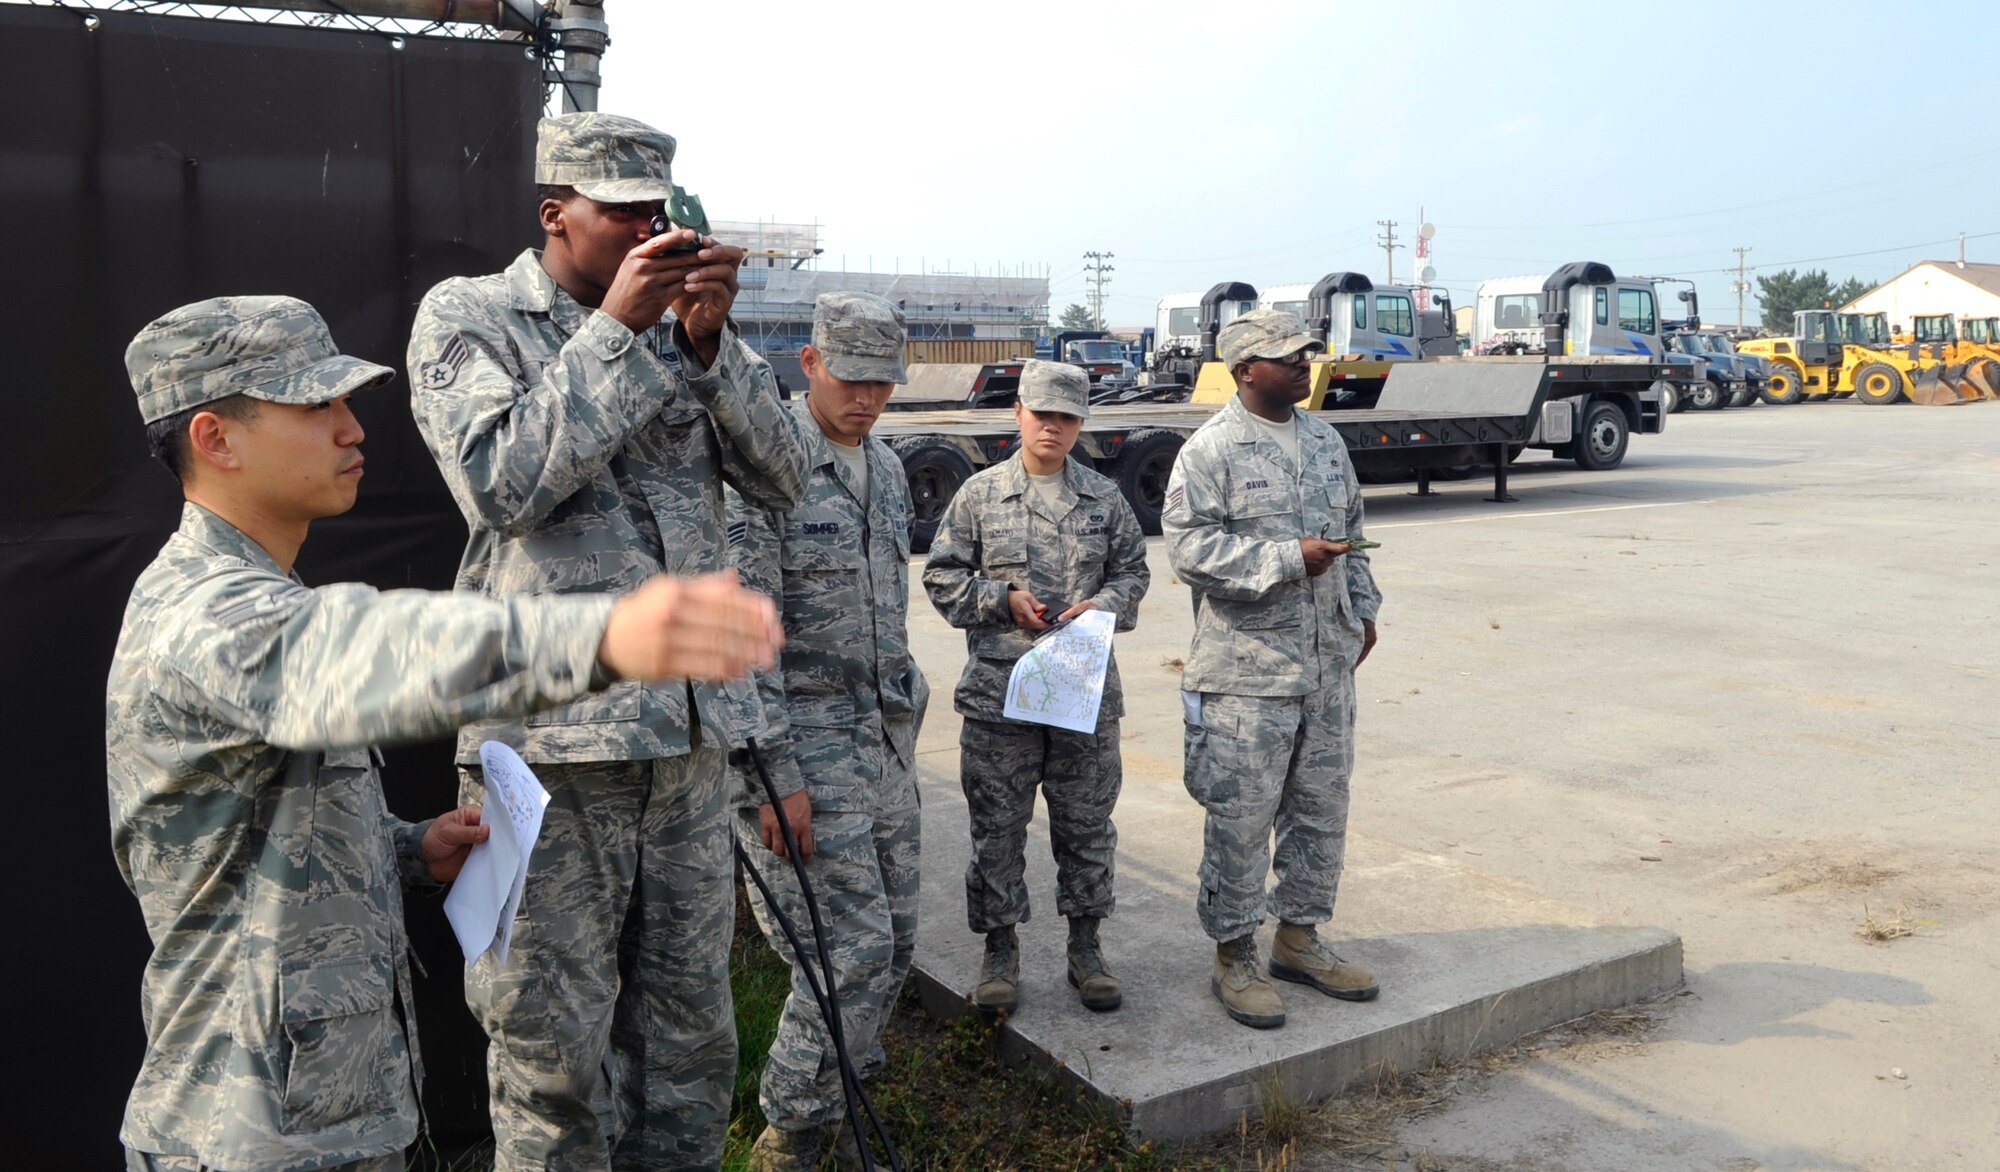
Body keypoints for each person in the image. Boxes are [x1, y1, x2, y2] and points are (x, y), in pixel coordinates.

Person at [107, 296, 783, 1172]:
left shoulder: (252, 595)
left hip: (318, 1121)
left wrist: (404, 848)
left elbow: (243, 841)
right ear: (216, 438)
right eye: (316, 407)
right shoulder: (204, 613)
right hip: (246, 1138)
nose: (353, 429)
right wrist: (603, 637)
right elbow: (355, 653)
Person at [405, 112, 809, 1170]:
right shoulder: (471, 316)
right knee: (549, 1056)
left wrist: (712, 350)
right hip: (548, 753)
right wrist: (617, 334)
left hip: (685, 745)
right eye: (622, 213)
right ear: (556, 215)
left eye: (658, 212)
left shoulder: (685, 332)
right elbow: (501, 484)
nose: (648, 233)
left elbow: (785, 478)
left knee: (686, 1043)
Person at [726, 292, 930, 1170]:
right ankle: (790, 1133)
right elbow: (739, 639)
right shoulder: (765, 467)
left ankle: (845, 1109)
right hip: (802, 747)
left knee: (898, 942)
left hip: (882, 743)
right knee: (847, 949)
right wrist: (772, 774)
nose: (869, 399)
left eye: (885, 382)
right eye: (853, 378)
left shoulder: (883, 468)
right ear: (808, 363)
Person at [1162, 308, 1384, 1031]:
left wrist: (1364, 608)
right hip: (1245, 676)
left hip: (1326, 666)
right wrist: (1289, 558)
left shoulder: (1323, 442)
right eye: (1286, 356)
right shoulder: (1210, 450)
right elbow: (1189, 551)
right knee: (1241, 820)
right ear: (1244, 369)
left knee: (1321, 811)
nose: (1302, 366)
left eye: (1306, 355)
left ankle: (1299, 937)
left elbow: (1353, 530)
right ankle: (1234, 953)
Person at [921, 360, 1150, 1017]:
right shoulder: (979, 495)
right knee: (997, 829)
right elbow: (940, 577)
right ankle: (999, 950)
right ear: (1017, 414)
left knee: (1086, 827)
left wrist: (1104, 604)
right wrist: (1000, 599)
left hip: (1082, 692)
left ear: (1081, 423)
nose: (1052, 426)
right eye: (1041, 414)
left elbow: (1134, 572)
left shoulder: (1104, 499)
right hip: (1001, 697)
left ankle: (1087, 949)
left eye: (1067, 417)